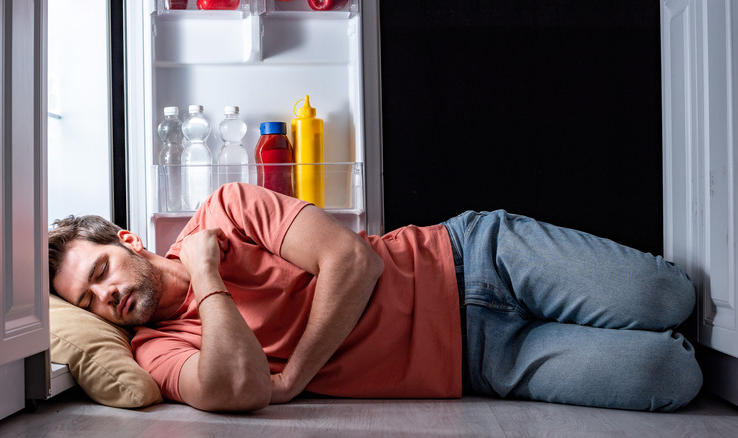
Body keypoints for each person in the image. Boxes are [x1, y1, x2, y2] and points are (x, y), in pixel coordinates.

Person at [48, 182, 702, 413]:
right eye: (91, 298)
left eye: (102, 268)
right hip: (480, 365)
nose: (110, 293)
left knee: (667, 293)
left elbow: (350, 261)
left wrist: (297, 374)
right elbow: (239, 390)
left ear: (128, 240)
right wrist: (210, 280)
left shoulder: (226, 208)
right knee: (672, 373)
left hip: (475, 259)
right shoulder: (159, 350)